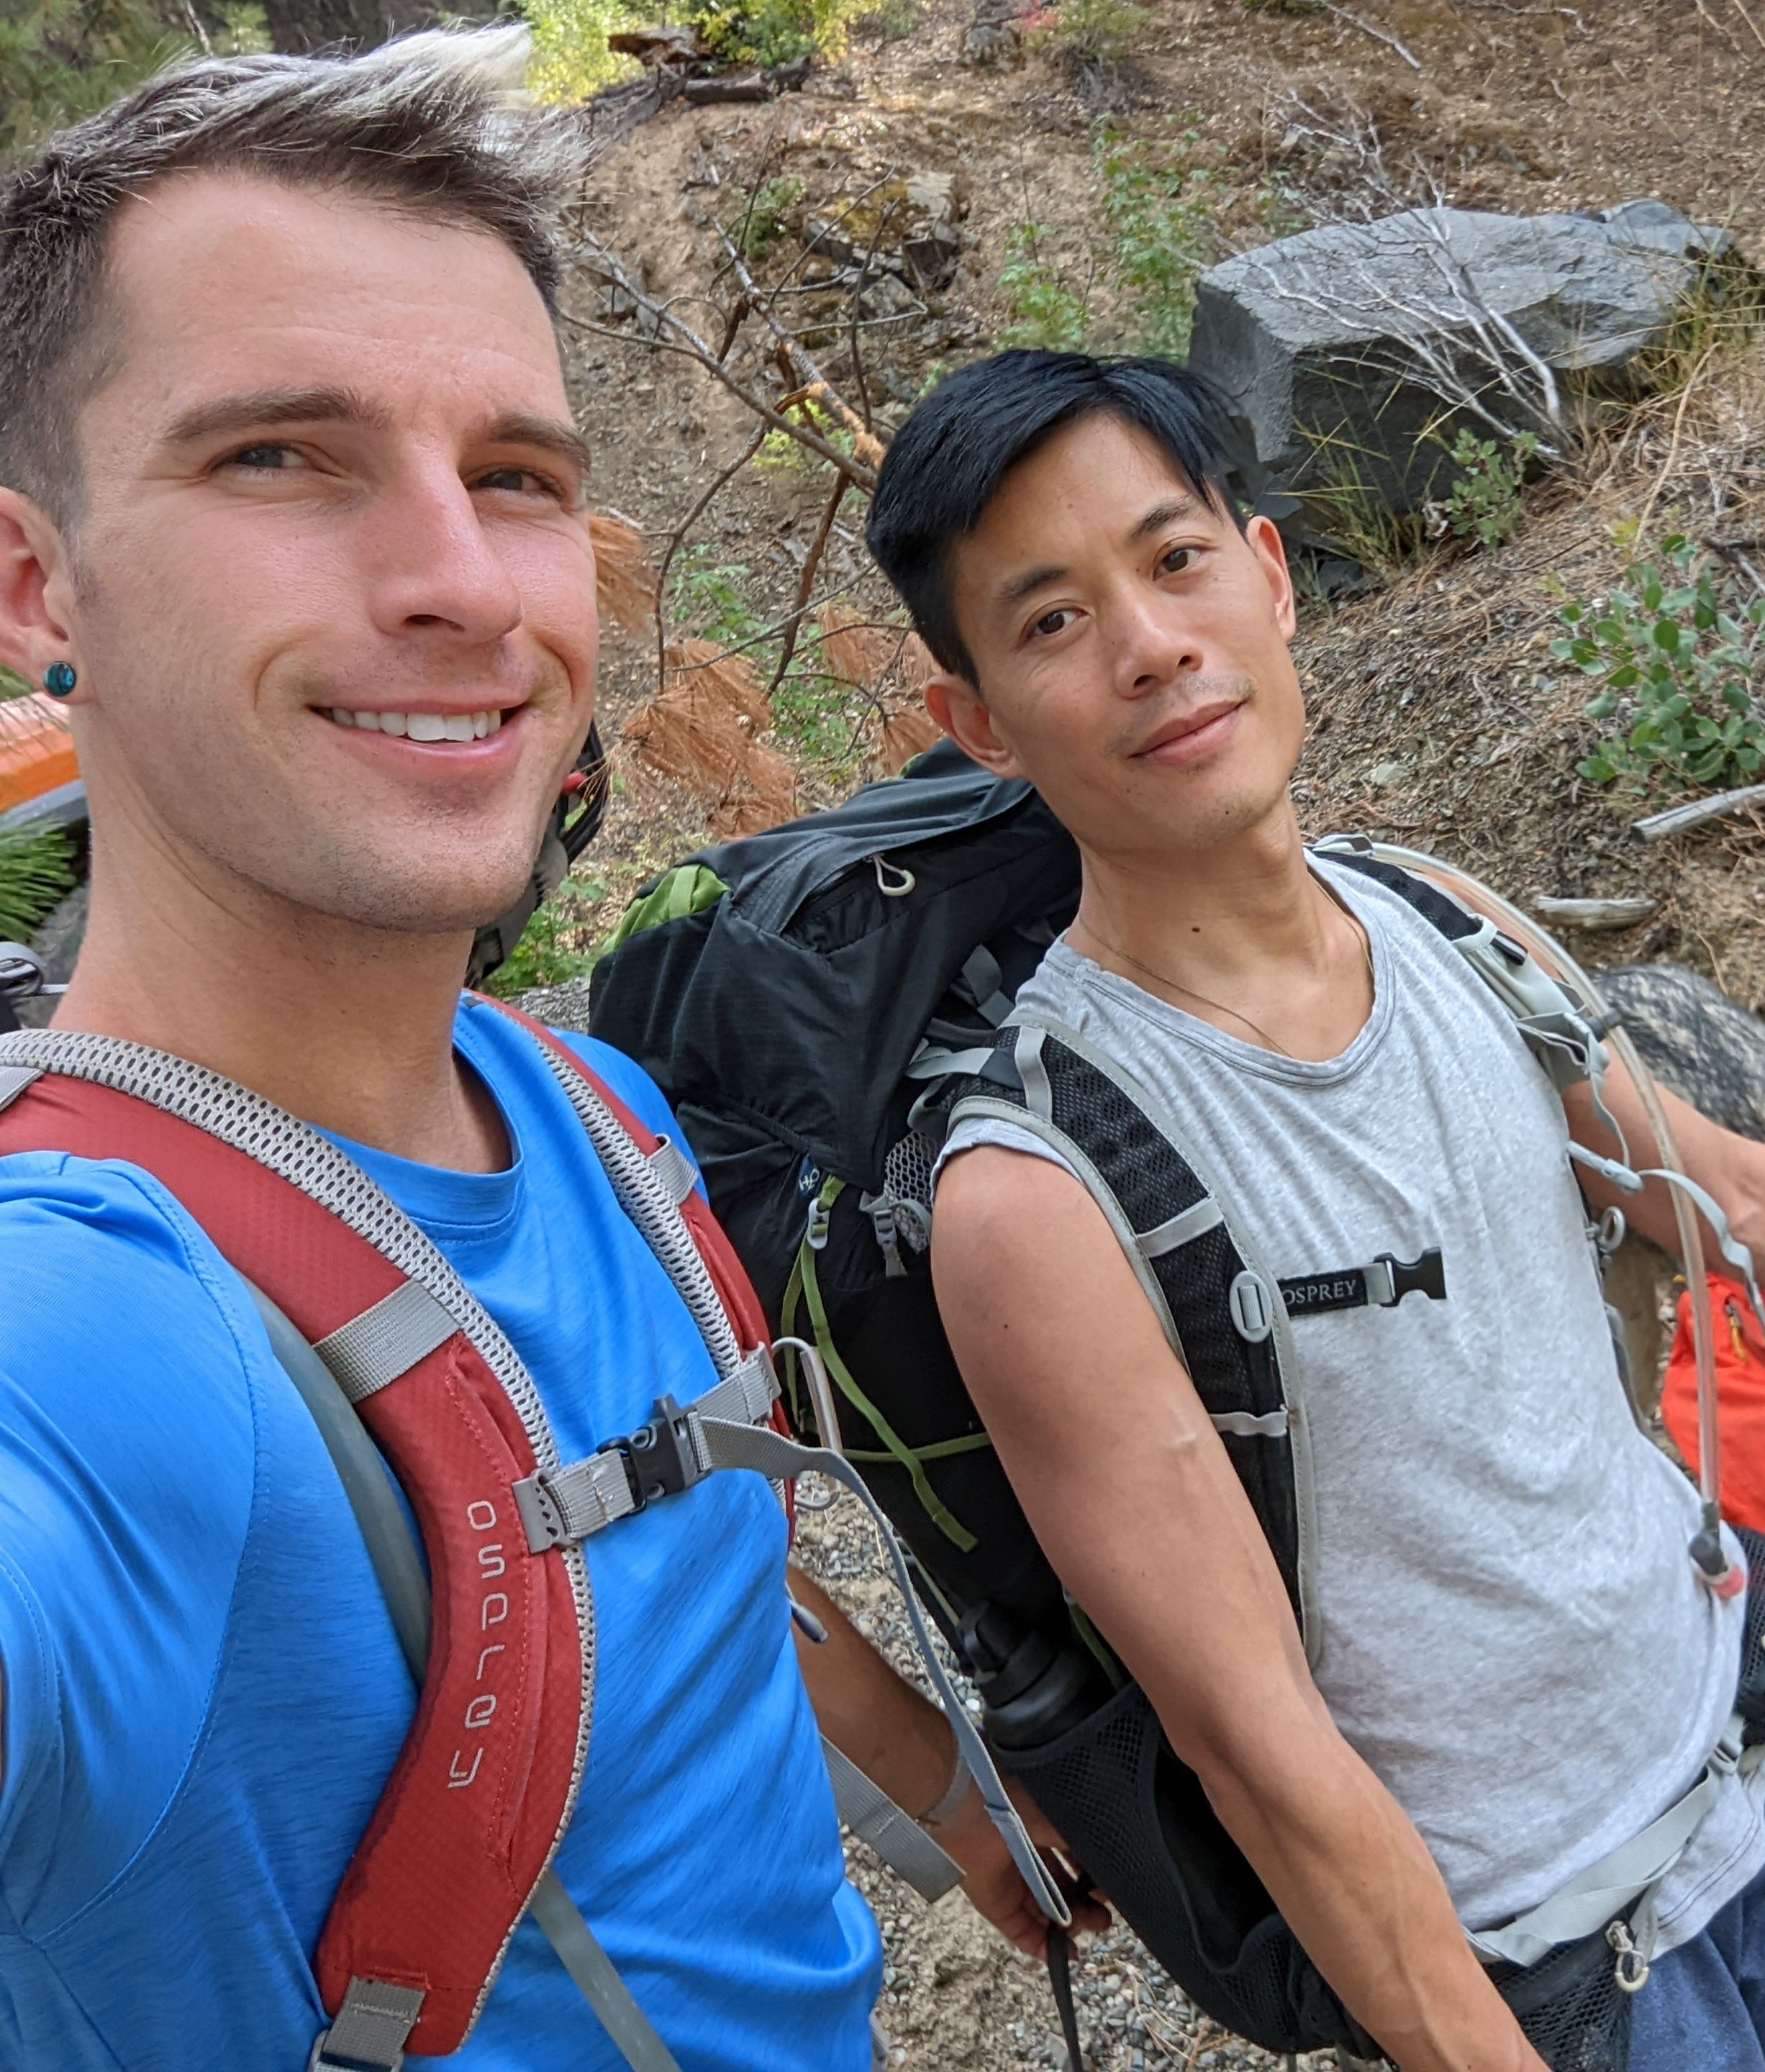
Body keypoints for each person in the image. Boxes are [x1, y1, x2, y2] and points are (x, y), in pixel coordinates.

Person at [871, 350, 1765, 2072]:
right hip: (1528, 1956)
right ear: (975, 717)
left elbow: (1724, 1199)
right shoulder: (1036, 1190)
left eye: (1175, 558)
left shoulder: (1438, 919)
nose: (1149, 644)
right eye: (1050, 621)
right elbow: (1257, 1742)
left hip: (1736, 1750)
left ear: (1269, 574)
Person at [0, 35, 1076, 2072]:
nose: (459, 579)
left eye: (516, 476)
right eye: (277, 459)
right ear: (36, 583)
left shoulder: (591, 1109)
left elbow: (664, 1543)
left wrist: (938, 1786)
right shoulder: (92, 1330)